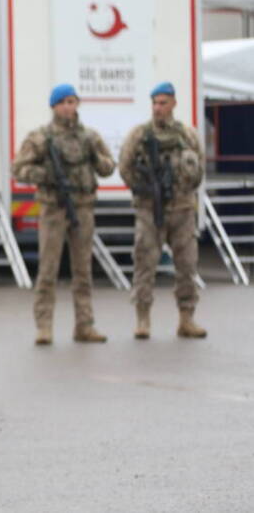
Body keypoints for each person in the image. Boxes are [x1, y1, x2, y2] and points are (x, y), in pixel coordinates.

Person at [12, 84, 115, 345]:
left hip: (82, 207)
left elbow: (108, 166)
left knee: (83, 270)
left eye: (72, 101)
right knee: (48, 270)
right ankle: (44, 326)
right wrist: (44, 174)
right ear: (54, 106)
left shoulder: (89, 137)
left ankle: (85, 324)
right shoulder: (41, 138)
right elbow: (19, 168)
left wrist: (97, 159)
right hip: (53, 208)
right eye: (63, 102)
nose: (68, 107)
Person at [118, 82, 207, 339]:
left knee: (187, 265)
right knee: (145, 263)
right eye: (154, 103)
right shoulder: (140, 135)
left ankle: (186, 319)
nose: (158, 108)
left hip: (182, 210)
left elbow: (198, 167)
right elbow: (124, 166)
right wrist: (143, 188)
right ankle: (143, 320)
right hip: (149, 210)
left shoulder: (187, 135)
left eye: (163, 103)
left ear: (173, 104)